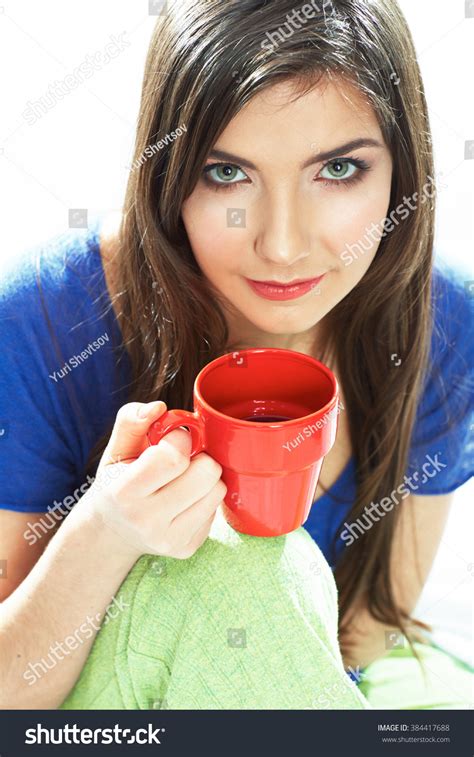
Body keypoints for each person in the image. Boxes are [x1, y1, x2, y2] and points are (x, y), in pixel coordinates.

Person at [0, 0, 472, 710]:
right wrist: (105, 532)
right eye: (226, 174)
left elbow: (363, 633)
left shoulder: (444, 327)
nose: (281, 244)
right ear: (168, 175)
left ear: (405, 173)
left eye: (338, 168)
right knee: (236, 572)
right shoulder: (46, 320)